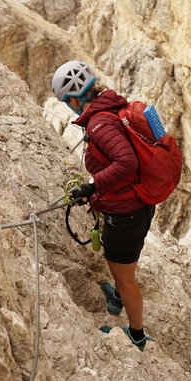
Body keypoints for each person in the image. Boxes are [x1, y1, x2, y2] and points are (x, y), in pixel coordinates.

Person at [52, 60, 155, 351]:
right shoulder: (109, 107)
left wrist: (92, 185)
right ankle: (119, 297)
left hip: (127, 215)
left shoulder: (98, 123)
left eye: (66, 102)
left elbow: (126, 162)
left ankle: (136, 335)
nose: (68, 107)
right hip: (139, 205)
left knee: (126, 279)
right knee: (124, 266)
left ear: (74, 99)